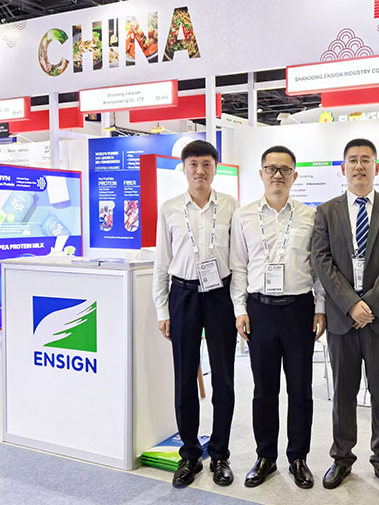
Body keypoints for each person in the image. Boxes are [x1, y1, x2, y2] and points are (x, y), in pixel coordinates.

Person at [312, 138, 379, 493]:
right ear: (343, 168)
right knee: (343, 393)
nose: (359, 166)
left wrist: (369, 304)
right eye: (352, 160)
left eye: (365, 160)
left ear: (376, 168)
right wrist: (351, 304)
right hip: (342, 318)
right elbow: (321, 261)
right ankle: (342, 458)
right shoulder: (326, 211)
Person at [230, 145, 326, 489]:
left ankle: (298, 457)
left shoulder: (311, 216)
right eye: (271, 169)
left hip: (299, 310)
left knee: (300, 389)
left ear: (295, 176)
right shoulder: (243, 216)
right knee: (264, 390)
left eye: (285, 169)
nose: (277, 175)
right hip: (260, 310)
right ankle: (265, 457)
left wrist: (320, 307)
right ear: (261, 174)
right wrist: (240, 309)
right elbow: (239, 267)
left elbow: (318, 268)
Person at [153, 140, 239, 488]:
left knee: (224, 378)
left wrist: (239, 306)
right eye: (193, 164)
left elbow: (239, 261)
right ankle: (189, 454)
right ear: (184, 168)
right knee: (185, 377)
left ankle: (219, 454)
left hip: (220, 296)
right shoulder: (170, 208)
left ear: (215, 168)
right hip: (183, 295)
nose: (200, 171)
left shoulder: (231, 206)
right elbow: (162, 263)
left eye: (206, 164)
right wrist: (162, 308)